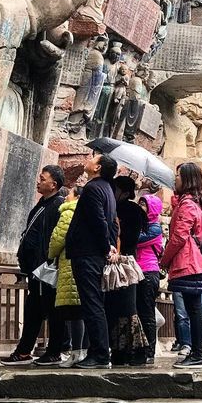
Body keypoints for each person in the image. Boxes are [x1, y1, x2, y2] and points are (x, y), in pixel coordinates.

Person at [1, 165, 66, 366]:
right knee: (34, 310)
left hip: (46, 268)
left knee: (50, 310)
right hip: (36, 269)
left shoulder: (57, 206)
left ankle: (53, 350)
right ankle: (24, 351)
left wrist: (46, 260)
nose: (38, 181)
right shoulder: (42, 204)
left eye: (43, 178)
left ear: (53, 184)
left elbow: (54, 238)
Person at [66, 153, 118, 369]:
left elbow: (99, 220)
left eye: (94, 158)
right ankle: (99, 352)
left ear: (97, 168)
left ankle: (99, 354)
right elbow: (111, 222)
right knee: (95, 303)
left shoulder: (93, 188)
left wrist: (106, 246)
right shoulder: (108, 190)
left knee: (92, 304)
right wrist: (110, 244)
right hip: (94, 252)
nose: (90, 159)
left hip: (88, 253)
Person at [160, 163, 202, 369]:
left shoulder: (188, 205)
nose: (176, 179)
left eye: (179, 176)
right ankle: (197, 352)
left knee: (194, 308)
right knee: (194, 308)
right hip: (193, 262)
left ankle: (197, 354)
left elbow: (179, 236)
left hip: (188, 262)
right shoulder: (194, 203)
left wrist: (164, 260)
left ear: (188, 180)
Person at [107, 176, 148, 365]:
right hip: (123, 263)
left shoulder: (130, 211)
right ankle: (121, 350)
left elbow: (129, 238)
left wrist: (117, 226)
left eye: (115, 188)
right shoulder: (125, 209)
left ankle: (132, 350)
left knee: (126, 309)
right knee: (119, 309)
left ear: (123, 191)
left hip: (123, 263)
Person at [48, 185, 87, 367]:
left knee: (73, 312)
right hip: (80, 263)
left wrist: (50, 254)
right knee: (80, 311)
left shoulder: (68, 212)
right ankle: (82, 351)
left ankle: (75, 352)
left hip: (68, 264)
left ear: (77, 197)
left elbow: (58, 238)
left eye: (70, 193)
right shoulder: (86, 212)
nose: (65, 197)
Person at [136, 193, 164, 364]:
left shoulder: (155, 228)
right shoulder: (139, 225)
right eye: (139, 203)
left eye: (144, 204)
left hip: (148, 272)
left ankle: (149, 351)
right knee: (137, 312)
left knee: (147, 313)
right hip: (136, 271)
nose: (140, 206)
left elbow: (135, 240)